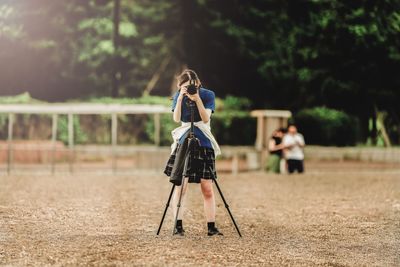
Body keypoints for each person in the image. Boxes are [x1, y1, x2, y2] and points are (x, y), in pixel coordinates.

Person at [163, 69, 223, 236]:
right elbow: (176, 119)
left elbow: (205, 118)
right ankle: (178, 225)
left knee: (207, 187)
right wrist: (181, 97)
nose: (190, 89)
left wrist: (197, 99)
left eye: (193, 86)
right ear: (180, 86)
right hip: (184, 142)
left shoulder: (207, 95)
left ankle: (211, 227)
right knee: (180, 186)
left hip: (203, 141)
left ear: (198, 84)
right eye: (186, 87)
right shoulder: (178, 95)